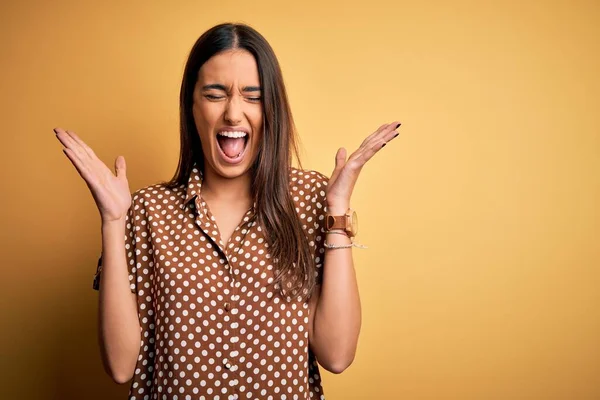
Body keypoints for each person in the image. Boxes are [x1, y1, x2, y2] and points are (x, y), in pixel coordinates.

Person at [54, 22, 401, 400]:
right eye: (215, 94)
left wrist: (336, 213)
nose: (234, 114)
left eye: (253, 96)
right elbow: (121, 366)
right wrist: (113, 222)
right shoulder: (146, 211)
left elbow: (336, 355)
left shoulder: (311, 198)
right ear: (192, 106)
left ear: (272, 109)